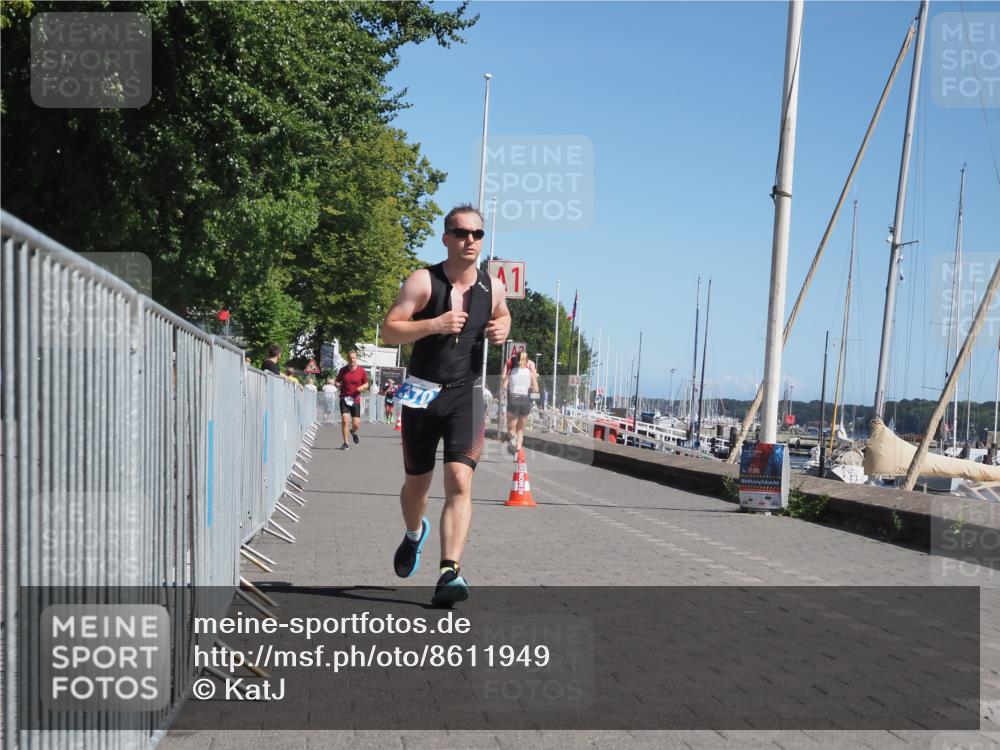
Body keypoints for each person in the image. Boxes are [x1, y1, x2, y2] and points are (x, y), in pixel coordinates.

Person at [381, 204, 511, 607]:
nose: (470, 240)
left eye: (477, 234)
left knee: (459, 480)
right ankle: (413, 533)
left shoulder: (493, 287)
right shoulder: (423, 281)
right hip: (422, 394)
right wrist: (434, 324)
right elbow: (389, 331)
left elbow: (503, 316)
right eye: (461, 233)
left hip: (466, 396)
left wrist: (502, 329)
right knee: (416, 486)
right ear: (446, 238)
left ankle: (449, 571)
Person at [501, 350, 539, 455]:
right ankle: (518, 453)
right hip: (525, 401)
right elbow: (536, 389)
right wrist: (528, 387)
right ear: (527, 361)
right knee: (520, 430)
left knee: (510, 429)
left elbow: (504, 386)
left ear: (517, 360)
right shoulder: (530, 373)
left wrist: (512, 387)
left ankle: (513, 440)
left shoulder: (511, 372)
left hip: (514, 400)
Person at [334, 350, 369, 450]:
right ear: (348, 359)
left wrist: (362, 387)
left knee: (356, 424)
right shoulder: (343, 370)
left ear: (356, 358)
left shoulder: (361, 371)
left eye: (353, 358)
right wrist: (337, 384)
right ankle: (346, 443)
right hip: (344, 398)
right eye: (350, 358)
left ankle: (353, 432)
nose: (352, 360)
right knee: (345, 420)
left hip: (355, 399)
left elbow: (366, 384)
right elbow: (337, 381)